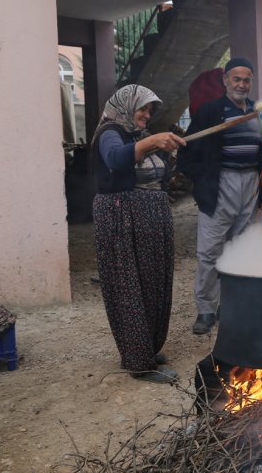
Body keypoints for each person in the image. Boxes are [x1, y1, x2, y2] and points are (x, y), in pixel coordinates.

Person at [91, 84, 186, 383]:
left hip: (147, 219)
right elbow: (115, 159)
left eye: (149, 110)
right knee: (130, 287)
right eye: (142, 108)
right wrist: (152, 142)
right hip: (122, 219)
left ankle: (144, 348)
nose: (147, 114)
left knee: (150, 284)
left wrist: (157, 145)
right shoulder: (111, 133)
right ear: (126, 106)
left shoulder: (136, 136)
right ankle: (139, 363)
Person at [177, 58, 262, 335]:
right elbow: (186, 153)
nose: (242, 84)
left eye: (246, 79)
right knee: (210, 252)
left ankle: (233, 307)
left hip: (250, 183)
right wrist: (204, 179)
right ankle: (205, 309)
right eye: (236, 79)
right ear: (226, 80)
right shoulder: (210, 111)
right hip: (220, 185)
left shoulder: (257, 112)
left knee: (241, 249)